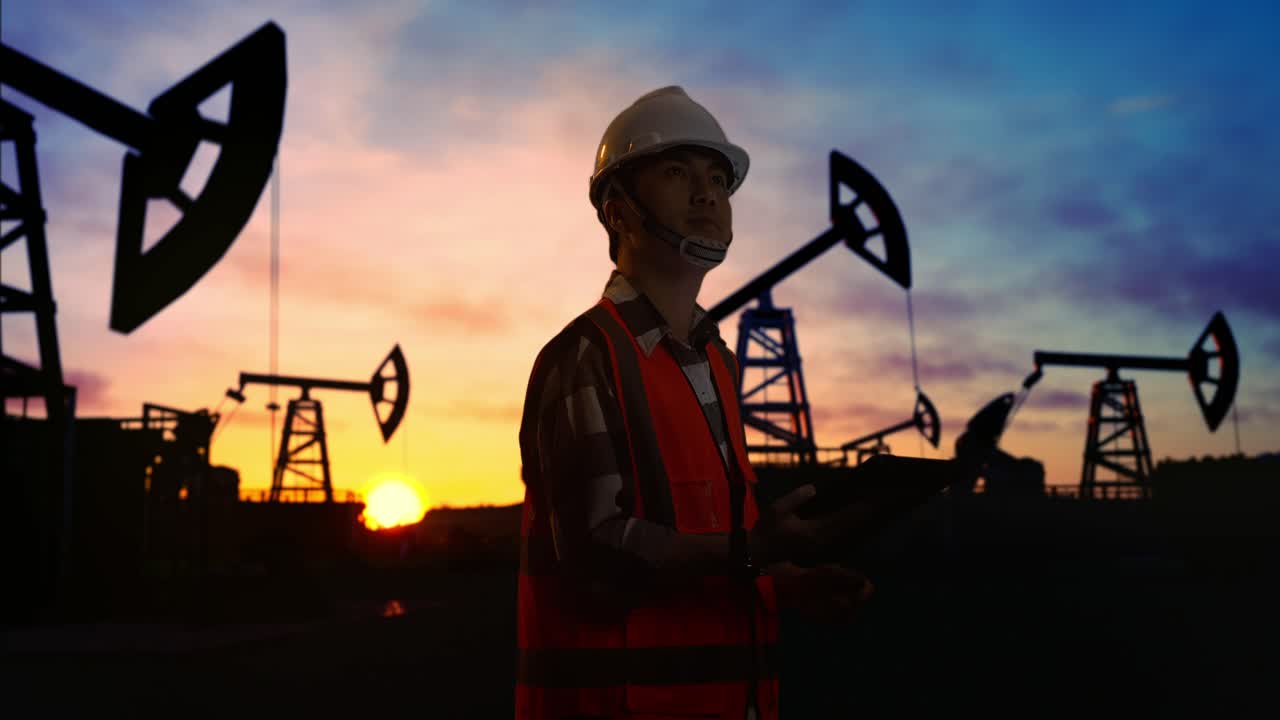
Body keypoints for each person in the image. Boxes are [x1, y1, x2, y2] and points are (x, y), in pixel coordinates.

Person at [516, 86, 874, 720]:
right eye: (677, 172)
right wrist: (750, 553)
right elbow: (596, 558)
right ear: (618, 213)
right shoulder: (585, 358)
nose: (708, 193)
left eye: (719, 179)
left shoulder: (716, 363)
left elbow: (711, 537)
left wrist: (778, 584)